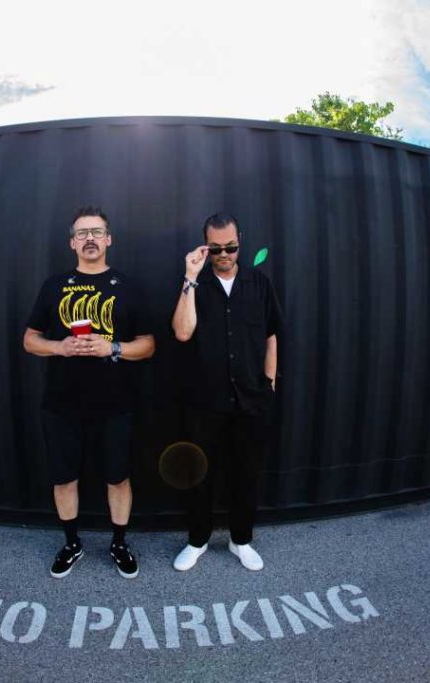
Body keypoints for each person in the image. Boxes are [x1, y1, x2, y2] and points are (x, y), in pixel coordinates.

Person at [23, 206, 155, 579]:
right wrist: (60, 347)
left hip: (115, 404)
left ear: (108, 239)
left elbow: (148, 345)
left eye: (96, 232)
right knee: (64, 478)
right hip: (62, 404)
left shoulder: (128, 286)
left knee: (118, 478)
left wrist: (112, 347)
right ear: (72, 243)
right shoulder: (53, 286)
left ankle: (119, 543)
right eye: (82, 233)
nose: (90, 239)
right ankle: (72, 544)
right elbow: (30, 340)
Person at [171, 212, 281, 572]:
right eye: (215, 248)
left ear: (239, 243)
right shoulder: (195, 285)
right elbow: (182, 332)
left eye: (230, 247)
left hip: (251, 398)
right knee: (200, 474)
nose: (224, 254)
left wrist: (269, 382)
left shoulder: (259, 283)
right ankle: (197, 540)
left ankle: (241, 540)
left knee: (246, 473)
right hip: (205, 401)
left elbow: (272, 334)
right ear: (205, 247)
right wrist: (190, 277)